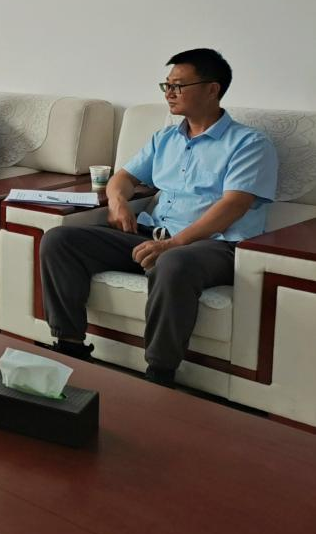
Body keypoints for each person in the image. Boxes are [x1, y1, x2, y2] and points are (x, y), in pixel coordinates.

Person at [40, 48, 278, 386]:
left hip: (214, 246)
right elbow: (123, 178)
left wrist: (175, 244)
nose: (169, 93)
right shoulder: (165, 138)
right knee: (60, 240)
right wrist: (118, 202)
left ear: (212, 89)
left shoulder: (249, 144)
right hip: (153, 234)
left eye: (178, 85)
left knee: (173, 262)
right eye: (166, 85)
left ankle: (159, 374)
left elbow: (233, 206)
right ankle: (70, 346)